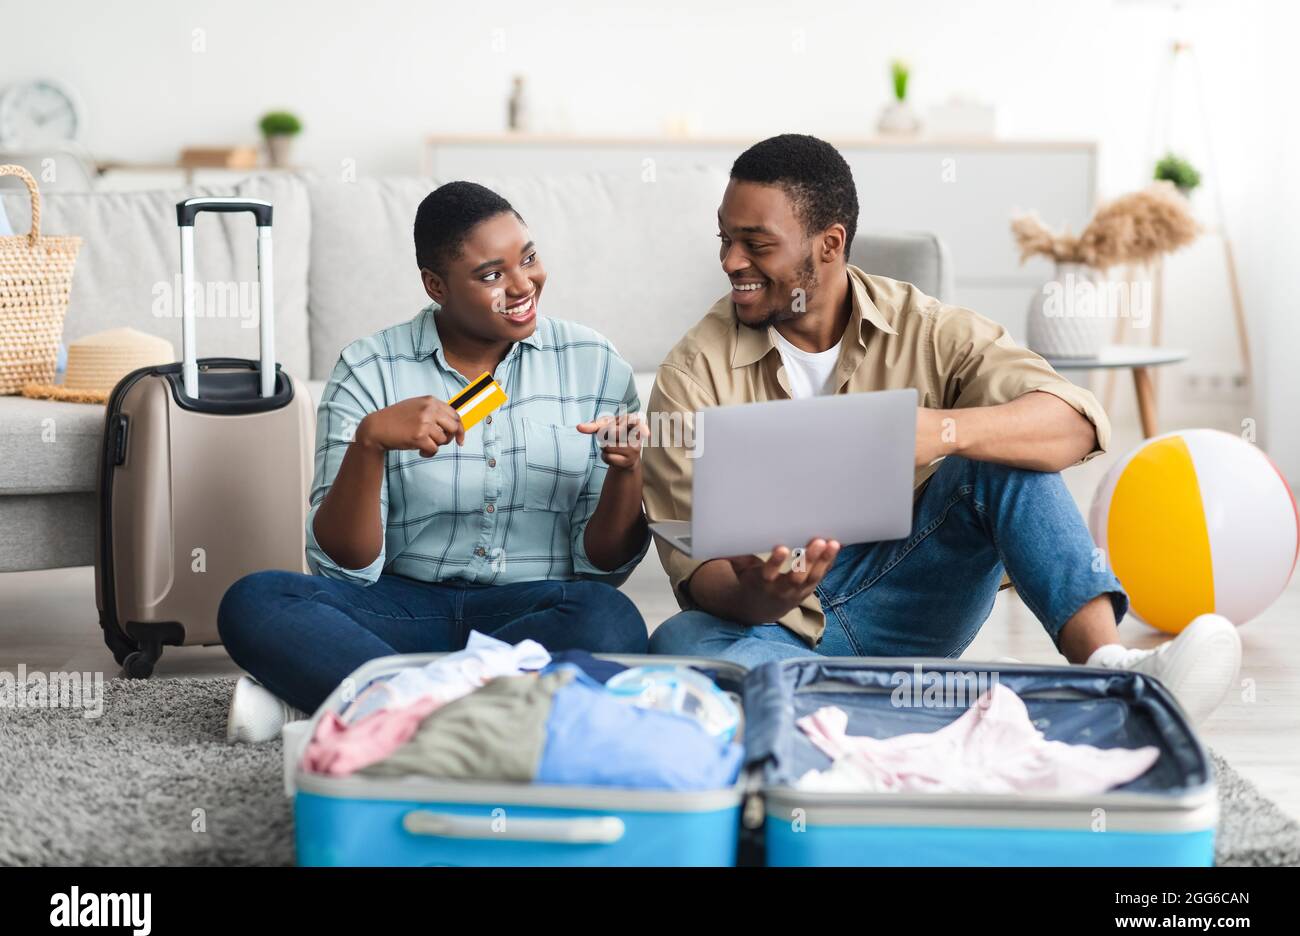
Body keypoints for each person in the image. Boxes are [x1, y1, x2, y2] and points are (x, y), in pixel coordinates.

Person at [641, 134, 1240, 725]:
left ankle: (1113, 671)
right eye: (726, 240)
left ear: (829, 244)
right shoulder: (692, 374)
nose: (730, 262)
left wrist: (941, 432)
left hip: (907, 595)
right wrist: (762, 595)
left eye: (756, 244)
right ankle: (941, 704)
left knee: (996, 454)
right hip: (772, 629)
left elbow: (1075, 423)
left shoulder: (926, 329)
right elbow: (700, 573)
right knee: (679, 645)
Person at [219, 182, 649, 739]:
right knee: (256, 600)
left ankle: (366, 702)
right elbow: (342, 566)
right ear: (436, 285)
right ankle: (475, 711)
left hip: (532, 613)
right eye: (492, 275)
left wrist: (626, 471)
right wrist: (369, 446)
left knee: (610, 621)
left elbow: (604, 567)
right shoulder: (369, 368)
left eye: (530, 258)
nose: (522, 286)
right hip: (398, 610)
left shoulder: (594, 362)